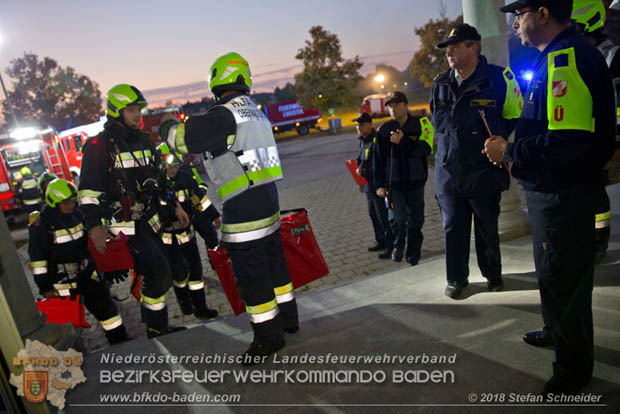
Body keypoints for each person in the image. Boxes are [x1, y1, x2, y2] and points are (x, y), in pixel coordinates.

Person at [486, 0, 615, 395]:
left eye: (519, 14)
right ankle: (556, 332)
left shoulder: (566, 60)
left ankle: (572, 371)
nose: (514, 22)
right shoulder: (554, 57)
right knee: (553, 274)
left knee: (565, 280)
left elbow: (567, 141)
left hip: (564, 192)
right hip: (553, 190)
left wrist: (508, 151)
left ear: (543, 13)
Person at [159, 52, 299, 363]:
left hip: (243, 207)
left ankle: (268, 340)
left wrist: (165, 125)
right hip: (269, 200)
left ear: (216, 80)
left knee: (252, 278)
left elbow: (183, 140)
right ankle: (289, 321)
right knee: (277, 269)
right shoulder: (256, 112)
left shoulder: (224, 114)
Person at [78, 84, 189, 339]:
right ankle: (156, 328)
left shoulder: (144, 140)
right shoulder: (99, 145)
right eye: (131, 110)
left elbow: (160, 179)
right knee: (160, 274)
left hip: (150, 222)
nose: (137, 114)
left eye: (138, 109)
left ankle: (155, 322)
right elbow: (87, 193)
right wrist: (95, 228)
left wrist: (176, 205)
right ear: (116, 111)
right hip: (123, 227)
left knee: (168, 271)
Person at [430, 23, 523, 299]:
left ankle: (493, 275)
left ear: (474, 47)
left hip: (483, 168)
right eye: (447, 48)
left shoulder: (498, 77)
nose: (450, 52)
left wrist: (498, 139)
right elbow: (439, 123)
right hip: (449, 171)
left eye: (456, 46)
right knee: (453, 229)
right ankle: (456, 279)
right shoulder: (440, 83)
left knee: (487, 229)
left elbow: (514, 112)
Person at [28, 178, 129, 345]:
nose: (71, 206)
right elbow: (38, 261)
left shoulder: (77, 214)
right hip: (62, 282)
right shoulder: (42, 225)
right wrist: (45, 288)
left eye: (73, 201)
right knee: (68, 326)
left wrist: (105, 266)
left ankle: (121, 343)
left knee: (108, 311)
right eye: (67, 202)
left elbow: (90, 242)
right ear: (54, 201)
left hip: (86, 274)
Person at [572, 0, 620, 263]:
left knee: (598, 195)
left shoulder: (612, 54)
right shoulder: (576, 54)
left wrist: (616, 141)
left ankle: (599, 243)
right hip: (583, 139)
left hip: (602, 139)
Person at [158, 147, 219, 320]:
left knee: (196, 272)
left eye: (175, 167)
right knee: (180, 272)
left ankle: (201, 308)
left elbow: (199, 199)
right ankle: (185, 302)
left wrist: (214, 216)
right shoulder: (158, 185)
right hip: (170, 240)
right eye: (169, 168)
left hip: (188, 235)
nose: (172, 171)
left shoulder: (186, 179)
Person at [373, 91, 433, 265]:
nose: (393, 109)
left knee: (416, 221)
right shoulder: (383, 129)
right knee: (398, 219)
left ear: (406, 105)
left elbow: (426, 148)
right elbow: (378, 160)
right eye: (390, 106)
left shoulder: (422, 123)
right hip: (395, 185)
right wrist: (379, 184)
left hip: (416, 182)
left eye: (397, 105)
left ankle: (413, 255)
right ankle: (398, 244)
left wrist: (404, 141)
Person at [354, 112, 394, 259]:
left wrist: (363, 171)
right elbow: (361, 160)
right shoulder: (362, 141)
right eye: (357, 125)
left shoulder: (378, 139)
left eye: (362, 125)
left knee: (383, 216)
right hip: (368, 186)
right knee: (373, 215)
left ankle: (391, 246)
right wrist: (360, 181)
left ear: (370, 124)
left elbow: (380, 163)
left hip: (377, 185)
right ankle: (381, 241)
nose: (359, 127)